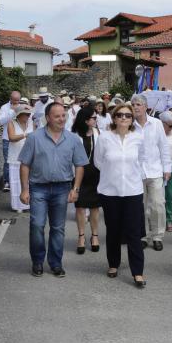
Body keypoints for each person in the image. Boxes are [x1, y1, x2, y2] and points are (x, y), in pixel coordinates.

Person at [19, 102, 87, 278]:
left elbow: (80, 165)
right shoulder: (34, 138)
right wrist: (24, 189)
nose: (61, 119)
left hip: (62, 188)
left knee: (58, 228)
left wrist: (76, 189)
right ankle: (38, 262)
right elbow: (25, 164)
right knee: (37, 225)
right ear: (47, 118)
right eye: (57, 116)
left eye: (63, 115)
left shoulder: (73, 139)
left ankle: (56, 263)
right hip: (38, 188)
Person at [94, 103, 148, 288]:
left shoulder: (138, 138)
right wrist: (113, 175)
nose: (124, 118)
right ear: (114, 118)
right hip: (110, 191)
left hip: (133, 191)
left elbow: (141, 160)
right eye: (120, 115)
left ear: (132, 119)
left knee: (133, 232)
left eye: (128, 115)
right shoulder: (105, 138)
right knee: (114, 230)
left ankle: (138, 272)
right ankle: (113, 264)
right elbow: (98, 161)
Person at [131, 94, 171, 251]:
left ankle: (157, 235)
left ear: (146, 106)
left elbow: (164, 146)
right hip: (136, 172)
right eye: (133, 104)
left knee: (157, 204)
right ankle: (143, 235)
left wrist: (167, 168)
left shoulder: (156, 124)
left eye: (139, 104)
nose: (135, 107)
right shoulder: (129, 125)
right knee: (140, 206)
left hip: (155, 170)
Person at [71, 106, 101, 254]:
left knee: (95, 207)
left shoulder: (99, 133)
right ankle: (81, 236)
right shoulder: (74, 135)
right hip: (79, 175)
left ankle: (95, 235)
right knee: (80, 207)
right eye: (94, 118)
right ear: (86, 120)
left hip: (96, 175)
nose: (96, 119)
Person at [6, 104, 34, 212]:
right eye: (26, 114)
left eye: (29, 114)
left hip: (29, 156)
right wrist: (25, 135)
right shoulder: (11, 123)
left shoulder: (31, 123)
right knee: (16, 181)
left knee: (29, 181)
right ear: (19, 115)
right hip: (15, 156)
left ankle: (29, 204)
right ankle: (18, 205)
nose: (28, 115)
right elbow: (11, 137)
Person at [0, 90, 22, 192]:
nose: (17, 102)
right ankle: (7, 181)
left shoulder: (22, 106)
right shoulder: (4, 107)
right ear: (11, 99)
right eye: (15, 100)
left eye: (18, 100)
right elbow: (0, 122)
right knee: (8, 160)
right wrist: (13, 112)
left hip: (19, 137)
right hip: (7, 138)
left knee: (20, 160)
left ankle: (20, 180)